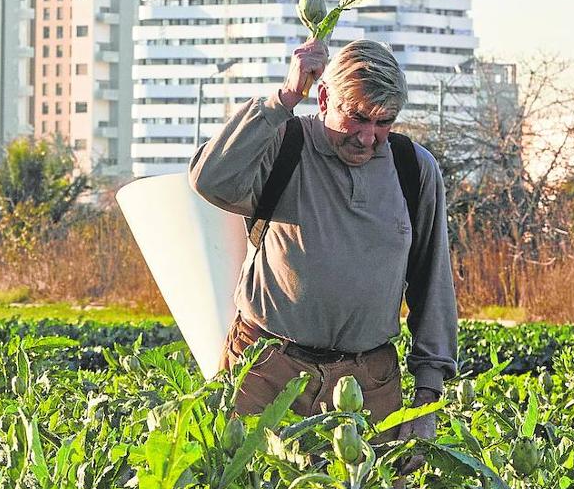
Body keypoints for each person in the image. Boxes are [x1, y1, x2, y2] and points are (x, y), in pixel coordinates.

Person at [187, 38, 458, 453]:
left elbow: (432, 282)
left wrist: (427, 395)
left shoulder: (412, 168)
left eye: (384, 122)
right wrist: (283, 98)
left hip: (370, 384)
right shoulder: (284, 144)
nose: (369, 137)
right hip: (267, 373)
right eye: (358, 118)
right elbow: (210, 179)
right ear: (325, 97)